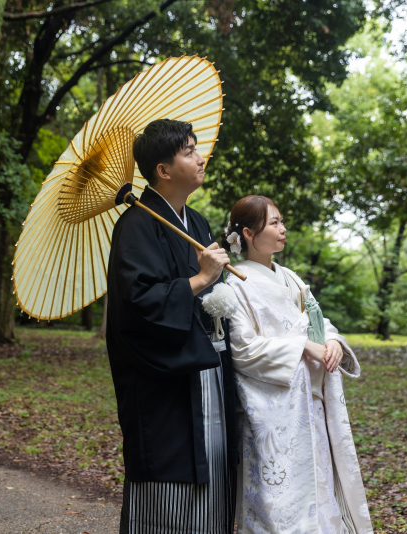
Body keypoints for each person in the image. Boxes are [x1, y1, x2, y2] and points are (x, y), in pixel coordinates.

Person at [106, 119, 239, 534]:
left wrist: (218, 287)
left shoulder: (195, 222)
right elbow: (140, 303)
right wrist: (200, 280)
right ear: (163, 170)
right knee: (169, 485)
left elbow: (215, 290)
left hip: (208, 371)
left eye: (197, 149)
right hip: (163, 383)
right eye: (188, 151)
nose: (200, 158)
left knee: (214, 468)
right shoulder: (136, 225)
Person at [221, 195, 373, 533]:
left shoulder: (290, 278)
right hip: (274, 407)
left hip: (310, 403)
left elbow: (318, 321)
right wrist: (301, 346)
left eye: (280, 221)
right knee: (276, 499)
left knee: (317, 489)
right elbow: (242, 348)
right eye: (274, 223)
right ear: (248, 232)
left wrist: (331, 341)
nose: (283, 229)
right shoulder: (235, 283)